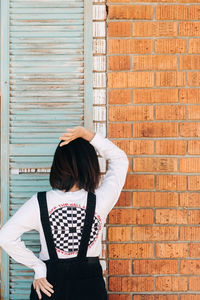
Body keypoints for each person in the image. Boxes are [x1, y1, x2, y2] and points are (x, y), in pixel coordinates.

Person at [0, 126, 129, 299]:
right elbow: (119, 159)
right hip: (90, 289)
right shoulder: (100, 200)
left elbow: (5, 237)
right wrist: (88, 135)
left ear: (58, 165)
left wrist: (38, 267)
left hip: (49, 286)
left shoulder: (40, 202)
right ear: (89, 165)